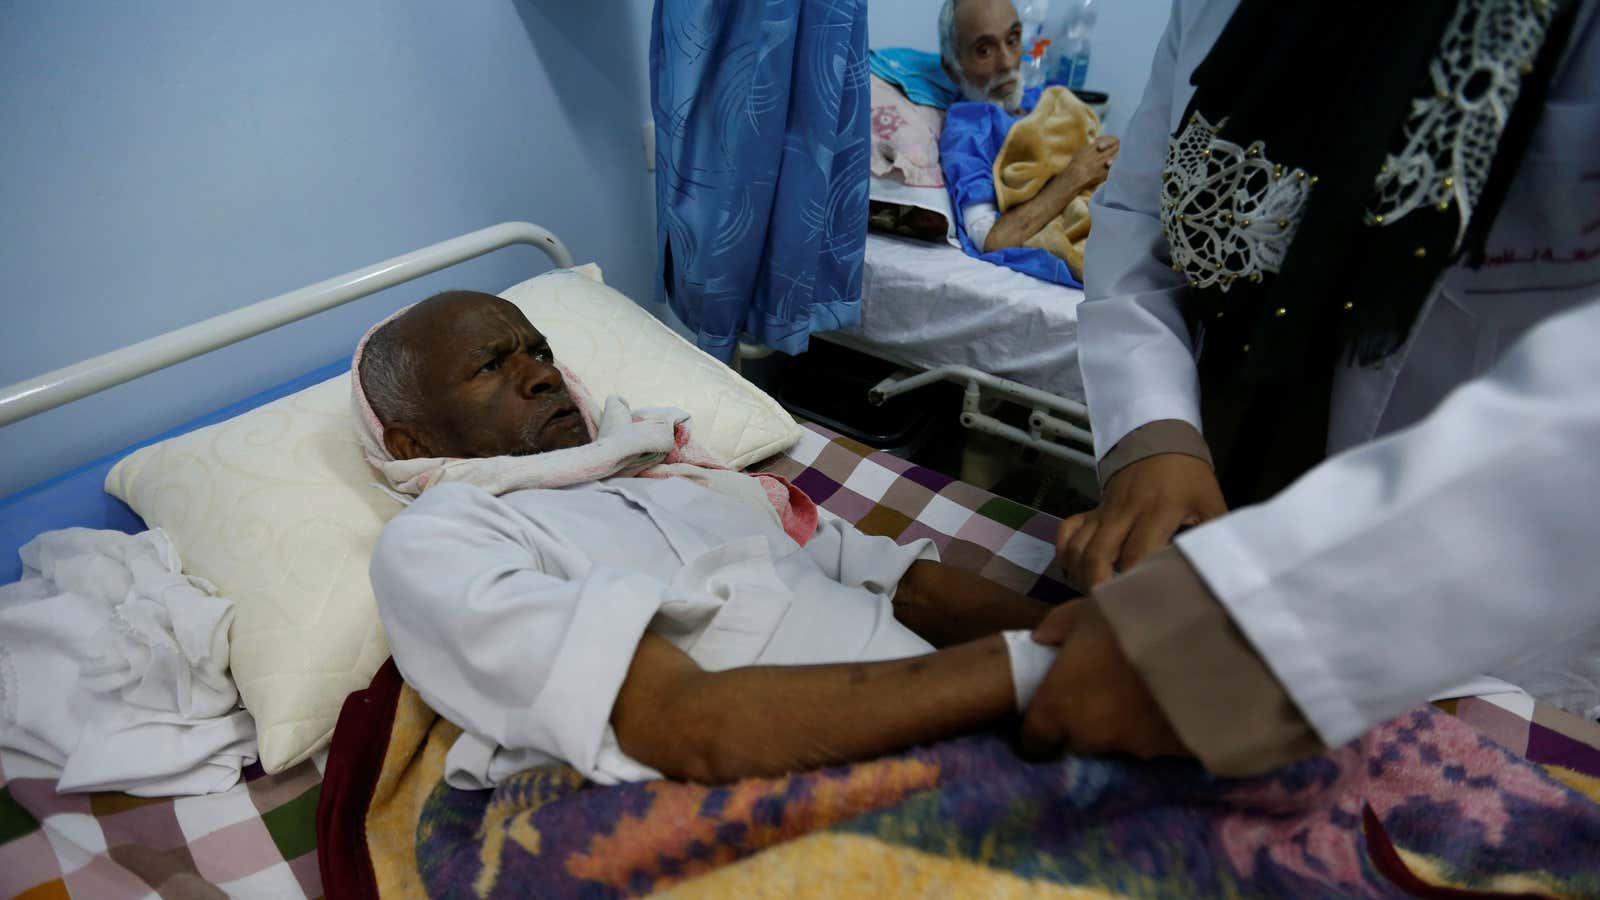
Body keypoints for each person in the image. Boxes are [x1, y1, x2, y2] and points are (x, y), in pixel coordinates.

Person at [1022, 0, 1600, 776]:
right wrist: (1151, 434)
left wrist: (1283, 615)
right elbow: (1137, 212)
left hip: (1484, 578)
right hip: (1225, 459)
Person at [355, 291, 1062, 787]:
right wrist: (1034, 667)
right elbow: (690, 724)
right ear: (415, 441)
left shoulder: (680, 473)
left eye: (539, 351)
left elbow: (912, 586)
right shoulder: (446, 535)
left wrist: (1086, 631)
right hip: (815, 781)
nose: (541, 373)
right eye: (491, 366)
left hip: (977, 717)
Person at [937, 0, 1120, 280]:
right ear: (952, 68)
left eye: (1012, 40)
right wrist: (1077, 174)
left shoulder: (1040, 95)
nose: (1008, 62)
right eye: (984, 50)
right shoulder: (969, 130)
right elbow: (991, 239)